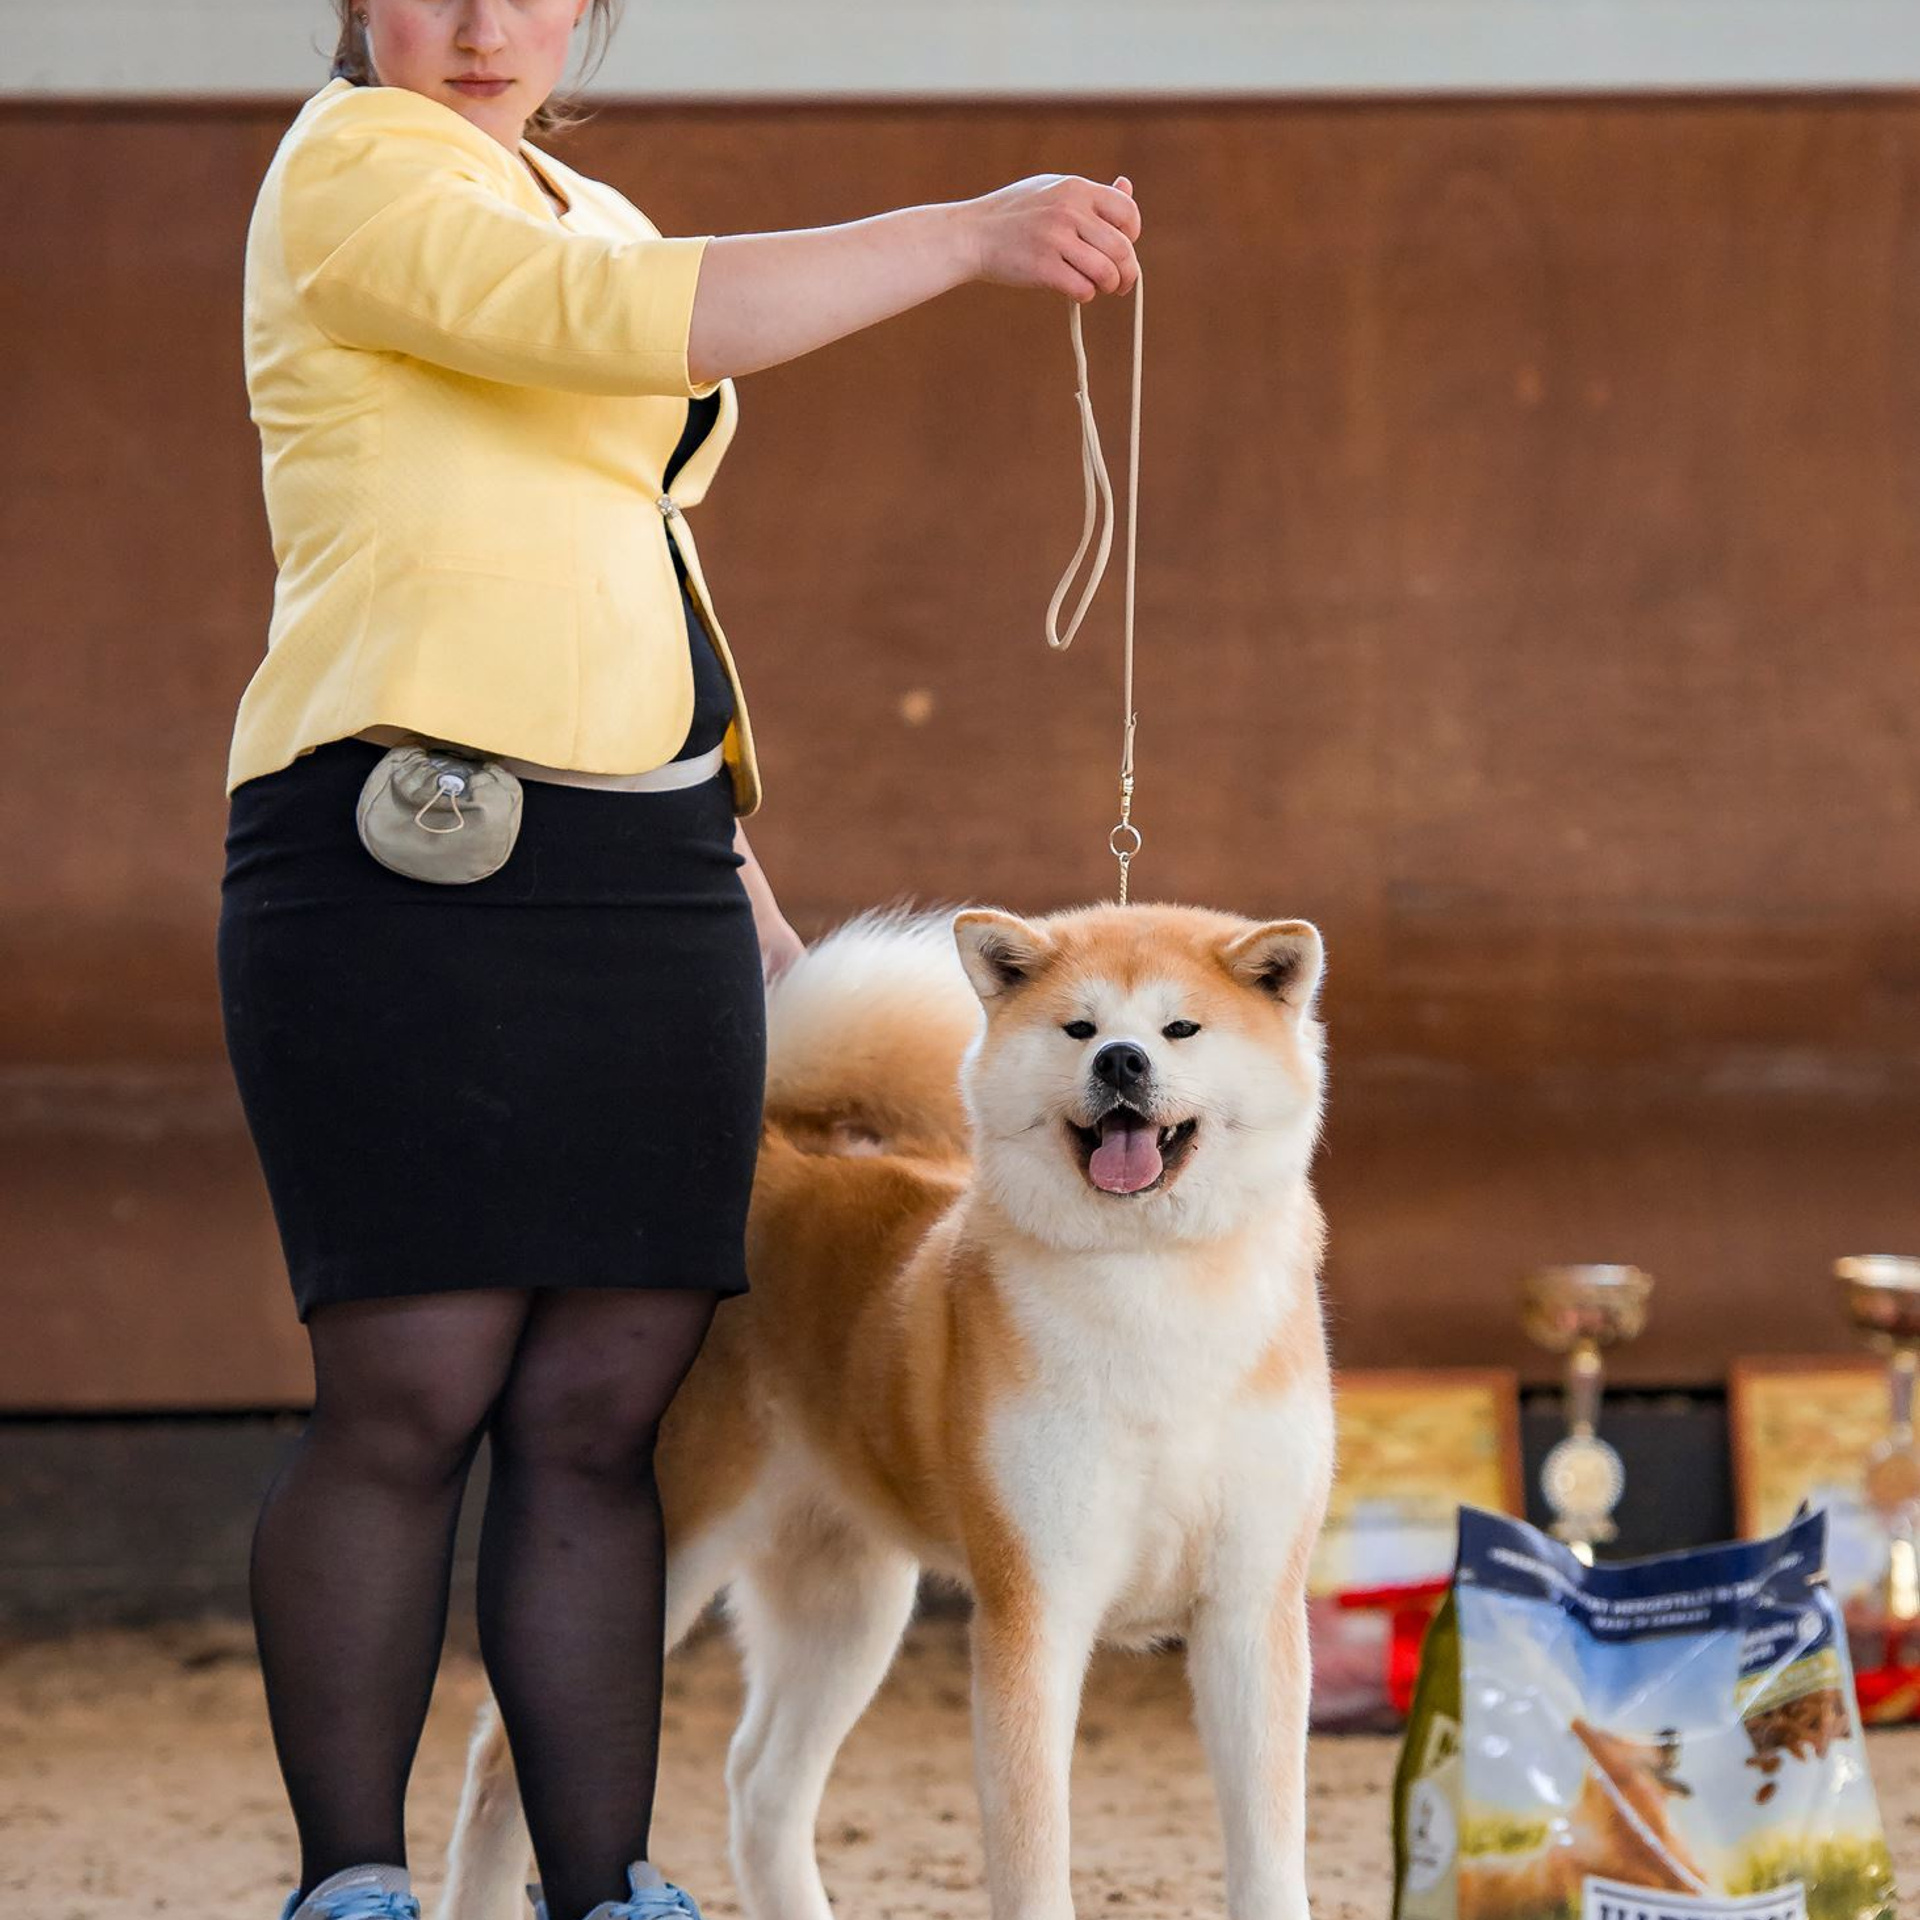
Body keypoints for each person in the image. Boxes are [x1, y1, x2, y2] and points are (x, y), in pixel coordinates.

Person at [214, 5, 1142, 1920]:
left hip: (644, 867)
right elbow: (644, 331)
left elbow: (628, 553)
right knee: (414, 1388)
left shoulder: (586, 195)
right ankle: (357, 1888)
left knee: (600, 1414)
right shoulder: (354, 167)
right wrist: (976, 228)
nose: (482, 28)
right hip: (408, 846)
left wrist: (734, 856)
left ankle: (606, 1886)